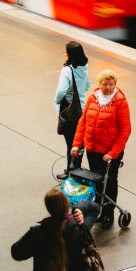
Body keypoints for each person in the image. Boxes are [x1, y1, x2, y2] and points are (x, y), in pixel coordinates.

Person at [70, 69, 131, 227]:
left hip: (110, 153)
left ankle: (108, 214)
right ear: (100, 84)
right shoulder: (93, 98)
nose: (108, 87)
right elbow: (83, 123)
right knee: (96, 182)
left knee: (109, 183)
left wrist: (112, 153)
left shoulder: (120, 102)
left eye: (111, 84)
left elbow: (125, 130)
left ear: (115, 84)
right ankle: (97, 210)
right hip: (93, 150)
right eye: (105, 84)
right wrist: (77, 144)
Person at [11, 189, 101, 271]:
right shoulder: (79, 228)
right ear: (66, 205)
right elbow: (95, 208)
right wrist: (79, 209)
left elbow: (16, 252)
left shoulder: (36, 234)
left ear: (49, 209)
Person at [54, 41, 90, 180]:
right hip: (82, 108)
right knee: (79, 141)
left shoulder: (67, 70)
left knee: (71, 142)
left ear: (70, 54)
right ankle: (76, 169)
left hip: (69, 110)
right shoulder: (84, 67)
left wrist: (57, 101)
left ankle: (70, 171)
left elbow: (61, 91)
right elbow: (87, 85)